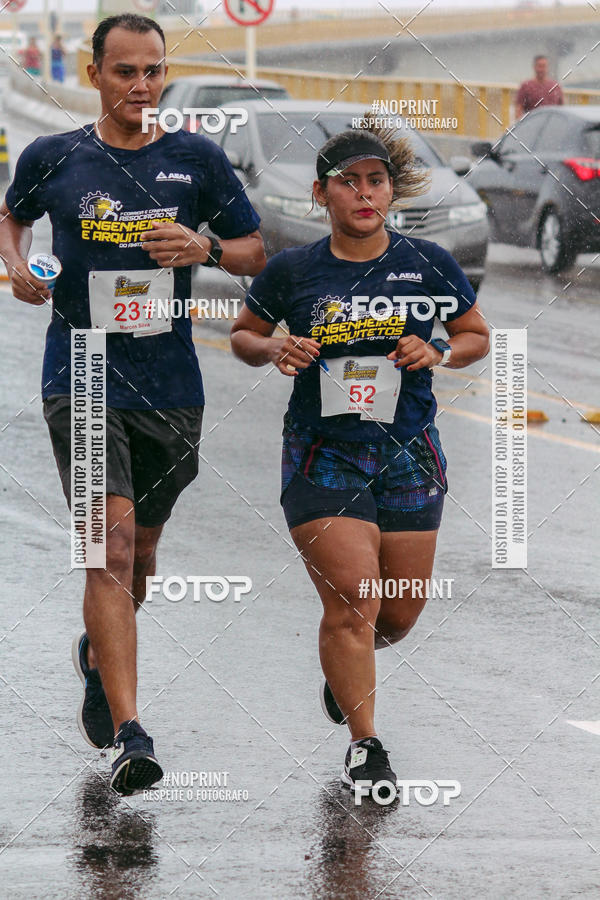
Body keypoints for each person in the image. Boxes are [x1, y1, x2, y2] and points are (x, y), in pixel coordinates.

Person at [0, 13, 265, 796]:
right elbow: (11, 216)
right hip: (81, 367)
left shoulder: (195, 158)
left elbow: (254, 251)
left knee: (141, 554)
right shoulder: (55, 157)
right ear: (95, 75)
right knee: (108, 550)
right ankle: (130, 733)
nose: (142, 85)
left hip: (170, 383)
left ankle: (98, 655)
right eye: (125, 71)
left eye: (153, 71)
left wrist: (206, 247)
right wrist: (16, 264)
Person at [231, 125, 489, 796]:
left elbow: (474, 335)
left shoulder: (427, 264)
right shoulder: (295, 270)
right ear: (322, 194)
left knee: (395, 616)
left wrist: (438, 351)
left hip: (409, 452)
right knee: (353, 601)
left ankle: (346, 669)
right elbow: (244, 335)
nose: (365, 193)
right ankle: (365, 745)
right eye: (349, 182)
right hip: (323, 453)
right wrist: (274, 349)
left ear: (391, 192)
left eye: (376, 181)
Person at [515, 55, 563, 119]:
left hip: (552, 123)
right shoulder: (525, 86)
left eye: (544, 66)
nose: (542, 69)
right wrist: (521, 123)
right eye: (539, 66)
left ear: (548, 68)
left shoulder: (555, 86)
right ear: (534, 67)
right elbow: (519, 109)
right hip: (532, 123)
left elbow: (561, 110)